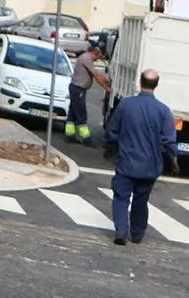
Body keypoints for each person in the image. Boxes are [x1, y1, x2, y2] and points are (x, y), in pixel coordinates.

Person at [102, 69, 178, 246]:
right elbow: (169, 141)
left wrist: (108, 147)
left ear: (140, 82)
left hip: (126, 163)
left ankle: (121, 230)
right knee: (141, 201)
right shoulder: (163, 111)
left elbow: (112, 130)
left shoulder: (126, 105)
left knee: (121, 197)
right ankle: (137, 235)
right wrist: (173, 160)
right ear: (156, 85)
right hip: (149, 166)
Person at [66, 44, 109, 146]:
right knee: (81, 114)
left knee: (72, 113)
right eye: (98, 57)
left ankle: (70, 136)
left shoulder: (85, 58)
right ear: (95, 53)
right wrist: (105, 87)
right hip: (78, 89)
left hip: (75, 88)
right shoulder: (87, 59)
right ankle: (87, 139)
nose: (98, 59)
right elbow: (95, 75)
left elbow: (97, 73)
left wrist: (105, 80)